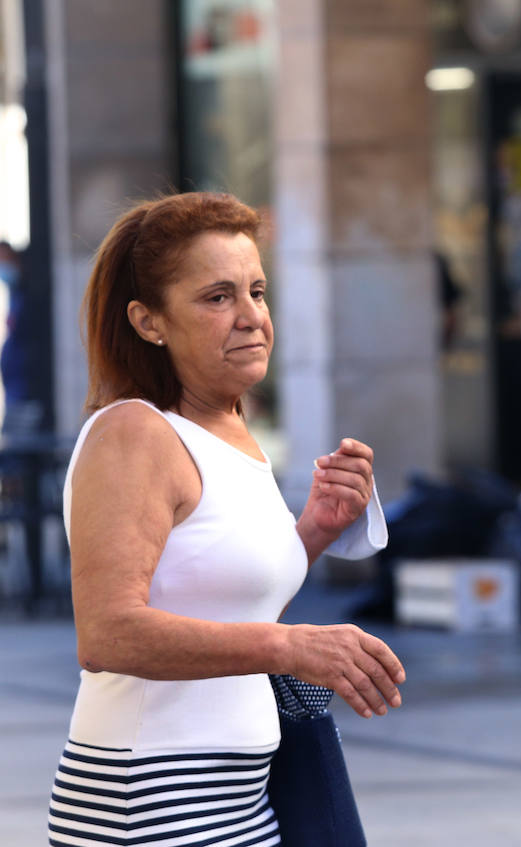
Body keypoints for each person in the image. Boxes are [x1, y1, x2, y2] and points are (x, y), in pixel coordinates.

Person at [47, 192, 406, 846]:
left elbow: (219, 591)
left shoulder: (230, 427)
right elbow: (108, 633)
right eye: (218, 297)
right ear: (149, 321)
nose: (251, 318)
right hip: (151, 798)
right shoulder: (134, 433)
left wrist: (315, 531)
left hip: (244, 791)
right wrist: (290, 647)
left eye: (258, 292)